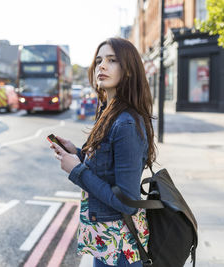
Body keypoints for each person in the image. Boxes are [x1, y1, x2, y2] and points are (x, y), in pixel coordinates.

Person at [50, 37, 156, 267]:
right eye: (98, 61)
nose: (102, 66)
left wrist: (76, 171)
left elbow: (127, 202)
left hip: (120, 247)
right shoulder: (109, 112)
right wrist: (77, 154)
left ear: (128, 70)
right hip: (106, 241)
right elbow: (106, 167)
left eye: (112, 60)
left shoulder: (125, 123)